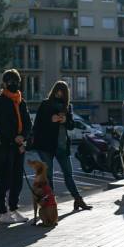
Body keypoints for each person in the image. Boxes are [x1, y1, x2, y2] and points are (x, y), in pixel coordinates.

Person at [32, 80, 91, 212]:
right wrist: (51, 120)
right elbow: (37, 125)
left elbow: (71, 125)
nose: (60, 94)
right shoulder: (45, 104)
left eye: (63, 92)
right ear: (54, 91)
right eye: (58, 90)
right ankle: (50, 205)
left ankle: (78, 200)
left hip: (62, 146)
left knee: (68, 174)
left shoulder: (66, 106)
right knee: (49, 176)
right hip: (46, 146)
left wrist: (66, 120)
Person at [0, 69, 32, 223]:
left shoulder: (21, 101)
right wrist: (14, 136)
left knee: (18, 179)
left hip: (19, 145)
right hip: (5, 144)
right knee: (5, 179)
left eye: (15, 81)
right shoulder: (0, 100)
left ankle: (14, 208)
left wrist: (23, 137)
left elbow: (28, 122)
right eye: (9, 81)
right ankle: (3, 213)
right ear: (4, 83)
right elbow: (2, 124)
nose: (13, 84)